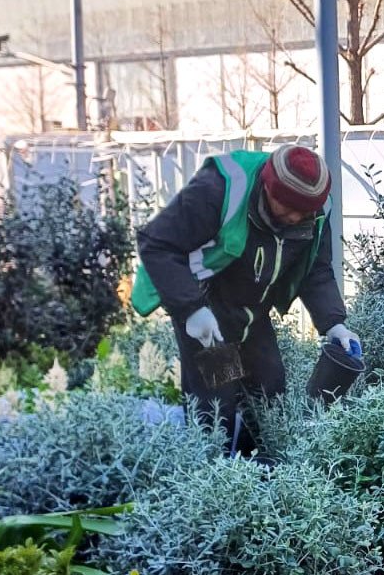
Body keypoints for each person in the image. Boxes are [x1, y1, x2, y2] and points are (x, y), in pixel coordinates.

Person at [131, 144, 361, 451]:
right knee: (218, 404)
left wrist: (335, 324)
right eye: (287, 207)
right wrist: (191, 310)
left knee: (270, 391)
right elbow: (156, 243)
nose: (295, 217)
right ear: (267, 187)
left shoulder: (316, 210)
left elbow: (316, 270)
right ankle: (213, 480)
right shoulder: (221, 189)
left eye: (303, 211)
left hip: (253, 310)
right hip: (208, 306)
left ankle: (263, 476)